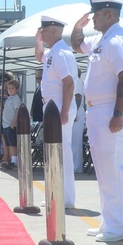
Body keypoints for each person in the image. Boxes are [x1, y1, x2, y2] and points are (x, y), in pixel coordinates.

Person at [71, 0, 123, 243]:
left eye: (96, 15)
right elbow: (77, 45)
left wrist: (118, 114)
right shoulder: (101, 39)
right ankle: (110, 221)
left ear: (110, 14)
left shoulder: (117, 41)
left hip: (111, 110)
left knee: (114, 170)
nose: (93, 18)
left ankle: (119, 227)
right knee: (104, 170)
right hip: (98, 110)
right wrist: (79, 25)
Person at [35, 14, 77, 206]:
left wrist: (65, 112)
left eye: (43, 30)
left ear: (53, 31)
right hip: (52, 106)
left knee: (62, 153)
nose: (41, 33)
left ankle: (66, 198)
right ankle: (55, 193)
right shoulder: (53, 52)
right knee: (53, 152)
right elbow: (38, 56)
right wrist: (38, 41)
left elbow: (68, 84)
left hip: (60, 105)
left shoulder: (61, 53)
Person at [0, 80, 21, 169]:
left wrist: (13, 123)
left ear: (16, 90)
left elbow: (17, 111)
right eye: (9, 88)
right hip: (6, 124)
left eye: (12, 88)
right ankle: (10, 159)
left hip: (11, 124)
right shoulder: (9, 98)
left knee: (13, 144)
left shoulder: (16, 99)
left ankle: (14, 161)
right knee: (8, 143)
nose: (10, 90)